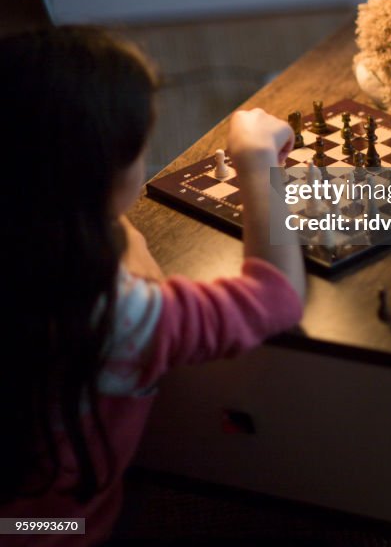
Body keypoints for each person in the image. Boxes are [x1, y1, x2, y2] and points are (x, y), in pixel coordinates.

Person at [0, 26, 305, 545]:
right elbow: (277, 297)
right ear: (103, 180)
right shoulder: (117, 315)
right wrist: (257, 167)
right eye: (140, 148)